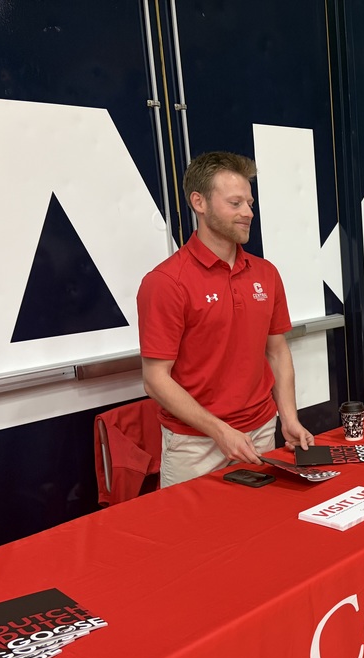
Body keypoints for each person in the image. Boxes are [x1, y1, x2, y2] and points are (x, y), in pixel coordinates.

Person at [137, 151, 314, 488]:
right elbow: (155, 379)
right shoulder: (165, 282)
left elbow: (276, 352)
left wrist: (288, 417)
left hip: (261, 432)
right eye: (235, 203)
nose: (248, 213)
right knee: (194, 540)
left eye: (249, 203)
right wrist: (220, 431)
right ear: (199, 202)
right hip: (194, 444)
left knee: (261, 532)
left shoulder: (266, 273)